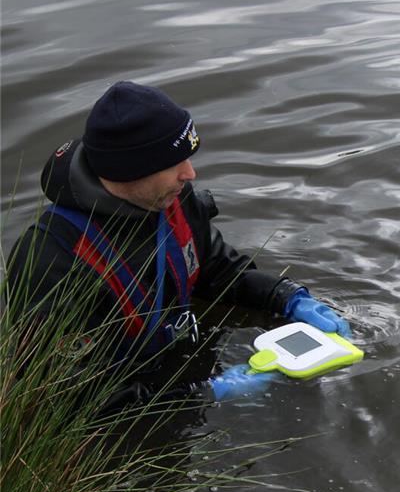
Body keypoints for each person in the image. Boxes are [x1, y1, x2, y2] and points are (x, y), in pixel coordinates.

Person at [7, 81, 353, 403]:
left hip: (175, 357)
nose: (190, 174)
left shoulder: (171, 200)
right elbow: (68, 390)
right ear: (130, 169)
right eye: (174, 163)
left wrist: (288, 296)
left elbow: (219, 271)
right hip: (124, 400)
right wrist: (204, 394)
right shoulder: (48, 258)